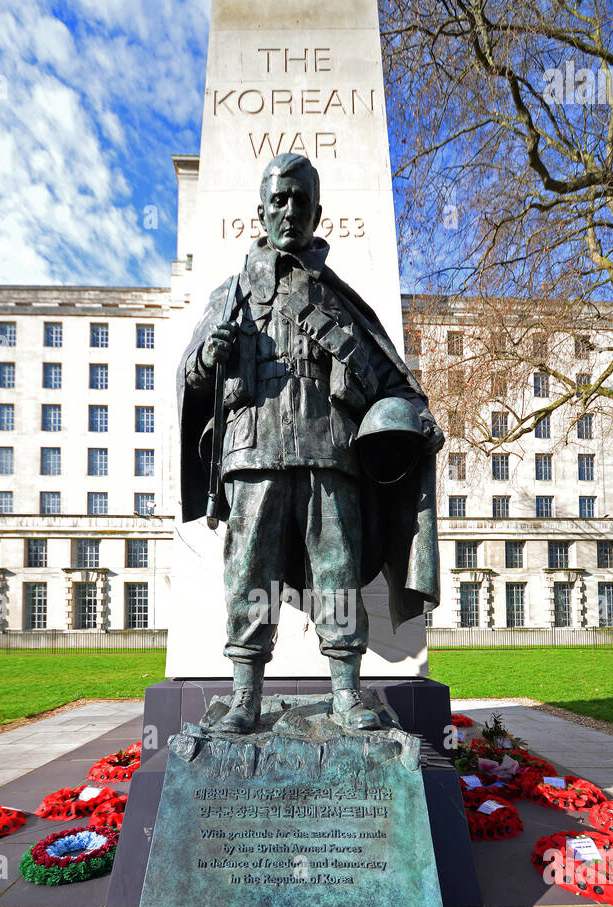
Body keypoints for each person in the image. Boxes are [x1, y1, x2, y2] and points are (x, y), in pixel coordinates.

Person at [177, 152, 443, 734]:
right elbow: (190, 382)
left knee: (337, 576)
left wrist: (416, 420)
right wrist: (207, 359)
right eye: (279, 199)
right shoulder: (232, 296)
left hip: (330, 453)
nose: (289, 210)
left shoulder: (339, 301)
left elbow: (395, 383)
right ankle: (244, 695)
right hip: (253, 455)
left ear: (317, 213)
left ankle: (346, 694)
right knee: (251, 575)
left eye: (300, 200)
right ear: (261, 211)